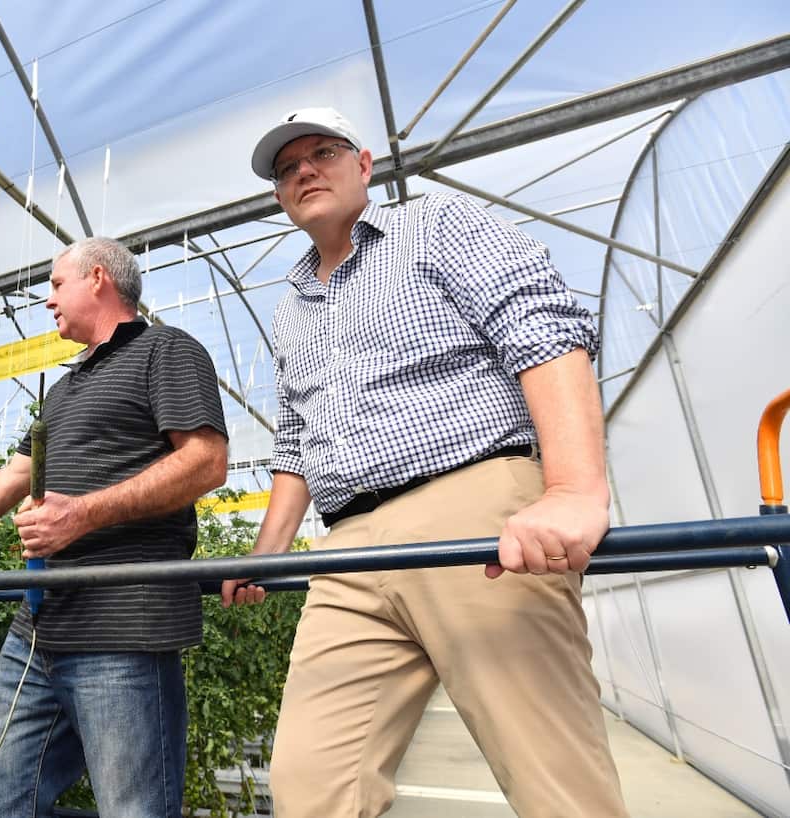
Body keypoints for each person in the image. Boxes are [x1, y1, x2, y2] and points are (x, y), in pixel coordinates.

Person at [220, 107, 628, 817]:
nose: (304, 171)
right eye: (287, 170)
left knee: (553, 779)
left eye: (322, 153)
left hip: (472, 514)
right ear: (281, 197)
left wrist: (571, 489)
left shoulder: (434, 225)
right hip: (346, 548)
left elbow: (540, 326)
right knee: (310, 786)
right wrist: (266, 553)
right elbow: (296, 440)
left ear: (364, 164)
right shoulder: (291, 308)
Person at [0, 236, 228, 817]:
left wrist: (82, 514)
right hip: (38, 631)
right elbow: (13, 477)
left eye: (56, 284)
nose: (48, 300)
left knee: (133, 809)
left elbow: (206, 462)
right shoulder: (65, 388)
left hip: (123, 628)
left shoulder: (166, 349)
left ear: (98, 278)